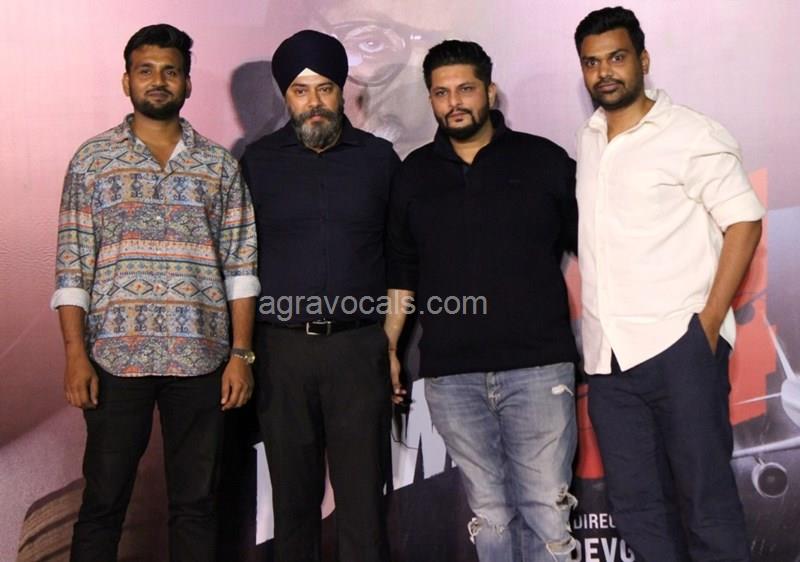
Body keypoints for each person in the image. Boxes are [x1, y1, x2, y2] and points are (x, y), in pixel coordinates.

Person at [51, 23, 260, 561]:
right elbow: (72, 265)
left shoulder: (218, 165)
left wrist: (240, 355)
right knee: (103, 504)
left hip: (202, 359)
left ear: (188, 83)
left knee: (197, 505)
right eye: (146, 71)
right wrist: (75, 355)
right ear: (127, 81)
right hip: (114, 358)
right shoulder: (93, 160)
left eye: (171, 71)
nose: (158, 81)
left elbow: (241, 266)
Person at [573, 7, 765, 562]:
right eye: (592, 62)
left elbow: (744, 222)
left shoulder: (690, 133)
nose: (605, 72)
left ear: (643, 60)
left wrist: (707, 324)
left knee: (706, 506)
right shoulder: (589, 137)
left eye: (616, 57)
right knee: (638, 513)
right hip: (608, 365)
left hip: (678, 349)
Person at [386, 40, 579, 562]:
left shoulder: (544, 160)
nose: (454, 102)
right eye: (441, 92)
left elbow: (590, 249)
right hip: (453, 378)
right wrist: (389, 348)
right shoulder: (412, 174)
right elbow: (402, 272)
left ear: (490, 92)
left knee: (547, 510)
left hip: (539, 369)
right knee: (490, 514)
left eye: (466, 88)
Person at [240, 30, 399, 562]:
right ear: (285, 96)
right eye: (300, 90)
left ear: (342, 91)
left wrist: (388, 344)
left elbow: (401, 257)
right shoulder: (256, 162)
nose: (314, 102)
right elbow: (237, 260)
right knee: (293, 506)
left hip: (359, 350)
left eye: (325, 88)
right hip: (281, 352)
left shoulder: (379, 159)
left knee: (364, 503)